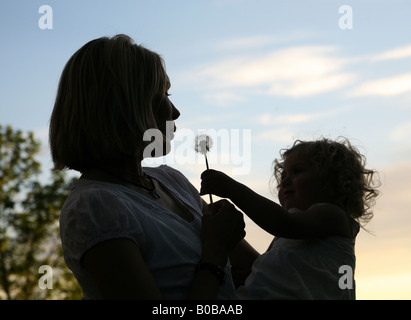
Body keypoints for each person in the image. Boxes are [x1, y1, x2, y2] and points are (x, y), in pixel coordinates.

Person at [49, 34, 249, 299]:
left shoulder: (171, 181)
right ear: (125, 106)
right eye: (163, 94)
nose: (175, 111)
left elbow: (256, 270)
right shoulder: (94, 207)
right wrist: (214, 253)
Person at [200, 138, 380, 299]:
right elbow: (268, 264)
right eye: (283, 176)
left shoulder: (333, 216)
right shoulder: (288, 233)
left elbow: (282, 222)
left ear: (335, 182)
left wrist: (232, 189)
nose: (285, 181)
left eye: (297, 171)